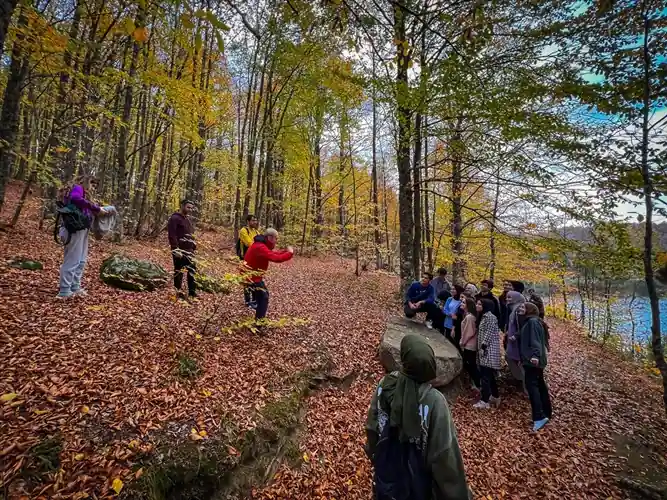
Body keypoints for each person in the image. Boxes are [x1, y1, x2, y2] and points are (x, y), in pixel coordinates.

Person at [365, 334, 472, 499]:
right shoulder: (434, 401)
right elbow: (444, 454)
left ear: (404, 359)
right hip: (417, 485)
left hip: (386, 478)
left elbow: (373, 425)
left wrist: (374, 454)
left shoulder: (385, 384)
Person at [57, 176, 111, 298]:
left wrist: (97, 210)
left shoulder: (81, 193)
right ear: (85, 182)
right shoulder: (77, 188)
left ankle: (74, 286)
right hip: (74, 230)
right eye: (92, 184)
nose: (93, 187)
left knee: (81, 260)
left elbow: (83, 206)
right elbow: (76, 199)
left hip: (81, 229)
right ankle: (65, 290)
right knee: (72, 260)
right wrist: (96, 208)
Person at [242, 228, 294, 322]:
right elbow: (276, 258)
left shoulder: (261, 245)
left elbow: (273, 253)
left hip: (252, 276)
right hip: (251, 277)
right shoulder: (260, 247)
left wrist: (284, 251)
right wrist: (289, 253)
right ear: (270, 238)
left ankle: (258, 320)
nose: (276, 241)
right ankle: (259, 324)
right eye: (275, 238)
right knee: (263, 297)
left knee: (262, 297)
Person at [517, 302, 552, 431]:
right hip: (531, 359)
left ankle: (539, 417)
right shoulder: (530, 321)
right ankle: (546, 412)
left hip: (534, 361)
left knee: (532, 387)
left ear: (530, 310)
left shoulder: (533, 322)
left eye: (522, 307)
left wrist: (535, 356)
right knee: (539, 384)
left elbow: (535, 340)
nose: (520, 308)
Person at [474, 298, 501, 409]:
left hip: (488, 351)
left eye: (479, 304)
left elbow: (489, 333)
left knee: (485, 376)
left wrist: (483, 347)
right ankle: (494, 396)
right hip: (484, 350)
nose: (477, 305)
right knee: (489, 376)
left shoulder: (490, 317)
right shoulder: (483, 316)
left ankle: (485, 401)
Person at [168, 200, 198, 300]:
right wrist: (175, 249)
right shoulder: (174, 218)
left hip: (190, 251)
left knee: (192, 271)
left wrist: (194, 246)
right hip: (180, 250)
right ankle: (178, 292)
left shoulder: (187, 219)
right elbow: (172, 235)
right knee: (178, 272)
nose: (189, 209)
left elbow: (190, 234)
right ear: (182, 206)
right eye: (188, 207)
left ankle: (192, 293)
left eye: (191, 208)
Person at [504, 291, 527, 393]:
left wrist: (515, 336)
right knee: (510, 358)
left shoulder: (518, 310)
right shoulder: (513, 309)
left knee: (521, 364)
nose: (507, 299)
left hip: (518, 343)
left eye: (510, 297)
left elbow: (523, 327)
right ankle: (521, 382)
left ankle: (526, 387)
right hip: (513, 342)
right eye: (507, 297)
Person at [238, 214, 260, 307]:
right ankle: (248, 301)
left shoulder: (256, 231)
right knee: (247, 280)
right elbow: (249, 243)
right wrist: (258, 245)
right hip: (245, 259)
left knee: (255, 279)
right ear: (248, 221)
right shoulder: (244, 231)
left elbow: (262, 243)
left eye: (255, 220)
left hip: (255, 259)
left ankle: (254, 300)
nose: (255, 222)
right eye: (253, 220)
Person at [459, 297, 480, 392]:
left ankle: (478, 383)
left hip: (470, 345)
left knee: (470, 364)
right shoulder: (467, 315)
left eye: (463, 302)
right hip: (469, 344)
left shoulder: (469, 317)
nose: (461, 303)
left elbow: (469, 332)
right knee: (469, 364)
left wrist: (462, 342)